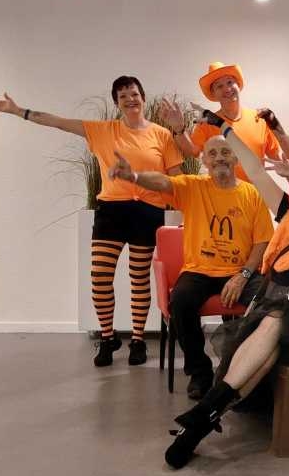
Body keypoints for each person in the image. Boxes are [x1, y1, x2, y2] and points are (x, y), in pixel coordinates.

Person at [0, 76, 183, 367]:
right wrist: (18, 111)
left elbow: (177, 179)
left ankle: (138, 340)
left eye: (134, 94)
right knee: (100, 277)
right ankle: (107, 338)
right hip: (111, 211)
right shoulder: (102, 131)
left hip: (147, 211)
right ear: (117, 103)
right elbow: (57, 122)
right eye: (123, 96)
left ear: (143, 97)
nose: (130, 99)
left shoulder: (162, 135)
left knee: (139, 278)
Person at [160, 165, 289, 469]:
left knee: (278, 320)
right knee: (265, 350)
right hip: (273, 312)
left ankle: (202, 416)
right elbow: (270, 274)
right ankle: (200, 424)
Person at [108, 135, 273, 398]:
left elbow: (262, 241)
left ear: (235, 157)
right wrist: (134, 177)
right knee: (181, 302)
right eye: (213, 153)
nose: (219, 158)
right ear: (204, 160)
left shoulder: (252, 194)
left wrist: (243, 275)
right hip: (199, 271)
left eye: (225, 152)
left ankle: (245, 368)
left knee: (269, 305)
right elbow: (163, 182)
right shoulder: (194, 186)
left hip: (239, 272)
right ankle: (200, 373)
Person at [167, 61, 280, 182]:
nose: (227, 89)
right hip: (221, 191)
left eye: (230, 82)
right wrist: (179, 129)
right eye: (219, 86)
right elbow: (192, 151)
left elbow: (277, 157)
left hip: (258, 191)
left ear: (238, 85)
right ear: (214, 94)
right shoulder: (207, 123)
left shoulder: (260, 119)